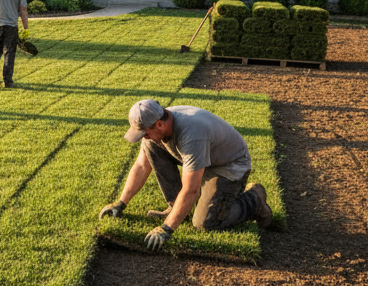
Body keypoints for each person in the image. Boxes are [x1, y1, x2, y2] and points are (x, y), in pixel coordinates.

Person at [99, 99, 273, 250]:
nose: (144, 137)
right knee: (151, 147)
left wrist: (166, 229)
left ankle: (254, 200)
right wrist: (120, 203)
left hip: (229, 166)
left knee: (204, 222)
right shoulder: (159, 124)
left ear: (159, 124)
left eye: (145, 133)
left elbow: (191, 190)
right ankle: (174, 207)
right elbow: (142, 165)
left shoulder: (192, 135)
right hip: (206, 159)